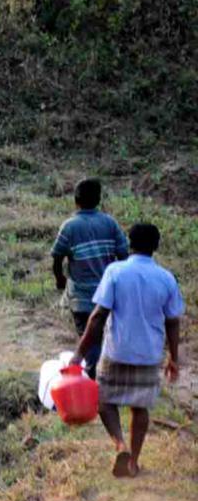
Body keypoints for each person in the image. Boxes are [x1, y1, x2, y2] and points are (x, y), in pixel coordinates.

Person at [71, 223, 183, 478]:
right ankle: (133, 461)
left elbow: (98, 315)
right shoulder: (166, 278)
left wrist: (80, 352)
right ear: (156, 246)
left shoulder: (116, 271)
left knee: (104, 401)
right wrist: (174, 357)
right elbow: (173, 320)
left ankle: (120, 445)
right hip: (149, 354)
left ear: (129, 243)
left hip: (116, 351)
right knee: (139, 407)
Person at [52, 178, 128, 378]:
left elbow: (57, 256)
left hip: (82, 297)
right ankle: (105, 377)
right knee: (104, 336)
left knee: (89, 337)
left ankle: (94, 380)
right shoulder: (109, 223)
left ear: (75, 201)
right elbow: (124, 254)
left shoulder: (69, 226)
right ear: (98, 200)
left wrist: (59, 278)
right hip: (108, 296)